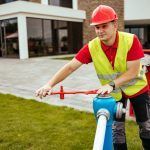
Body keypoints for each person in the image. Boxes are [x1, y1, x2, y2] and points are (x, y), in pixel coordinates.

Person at [35, 5, 150, 150]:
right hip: (114, 94)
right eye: (97, 27)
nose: (100, 31)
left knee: (146, 127)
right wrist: (49, 85)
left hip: (137, 89)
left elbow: (132, 72)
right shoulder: (92, 47)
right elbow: (71, 66)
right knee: (117, 131)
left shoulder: (130, 40)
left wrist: (111, 84)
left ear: (114, 24)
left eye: (104, 26)